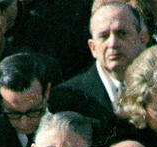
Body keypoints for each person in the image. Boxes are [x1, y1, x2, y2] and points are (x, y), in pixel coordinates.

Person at [50, 1, 146, 134]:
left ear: (141, 40)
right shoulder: (65, 98)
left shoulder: (156, 90)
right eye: (104, 36)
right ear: (93, 47)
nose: (113, 43)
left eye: (122, 33)